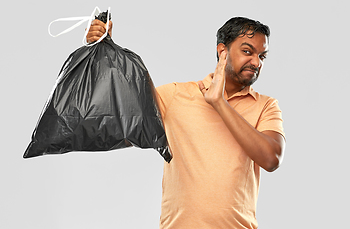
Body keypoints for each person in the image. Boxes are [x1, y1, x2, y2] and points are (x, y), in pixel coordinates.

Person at [87, 17, 285, 229]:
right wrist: (101, 55)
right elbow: (119, 113)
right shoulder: (175, 95)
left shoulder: (266, 105)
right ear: (222, 51)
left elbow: (271, 158)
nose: (257, 62)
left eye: (262, 56)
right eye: (248, 51)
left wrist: (219, 103)